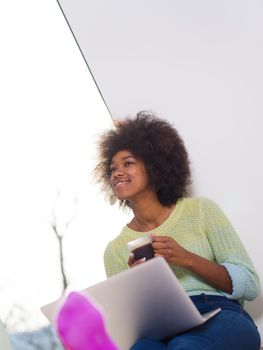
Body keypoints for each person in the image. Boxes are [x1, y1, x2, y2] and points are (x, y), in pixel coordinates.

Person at [94, 111, 261, 350]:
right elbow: (130, 324)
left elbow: (250, 285)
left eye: (128, 163)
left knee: (185, 347)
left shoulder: (201, 211)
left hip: (219, 314)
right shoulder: (115, 250)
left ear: (154, 167)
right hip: (162, 330)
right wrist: (140, 284)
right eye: (112, 169)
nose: (117, 172)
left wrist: (185, 258)